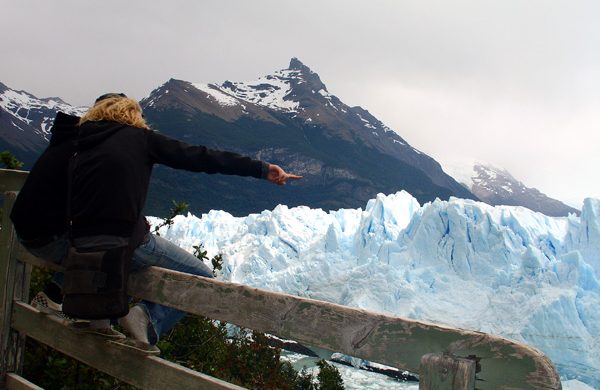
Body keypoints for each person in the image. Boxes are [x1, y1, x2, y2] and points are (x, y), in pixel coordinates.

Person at [10, 92, 302, 351]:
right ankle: (146, 319)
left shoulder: (76, 141)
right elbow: (202, 157)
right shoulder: (139, 139)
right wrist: (262, 169)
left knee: (99, 246)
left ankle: (78, 309)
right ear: (133, 115)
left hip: (33, 236)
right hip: (79, 237)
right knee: (199, 275)